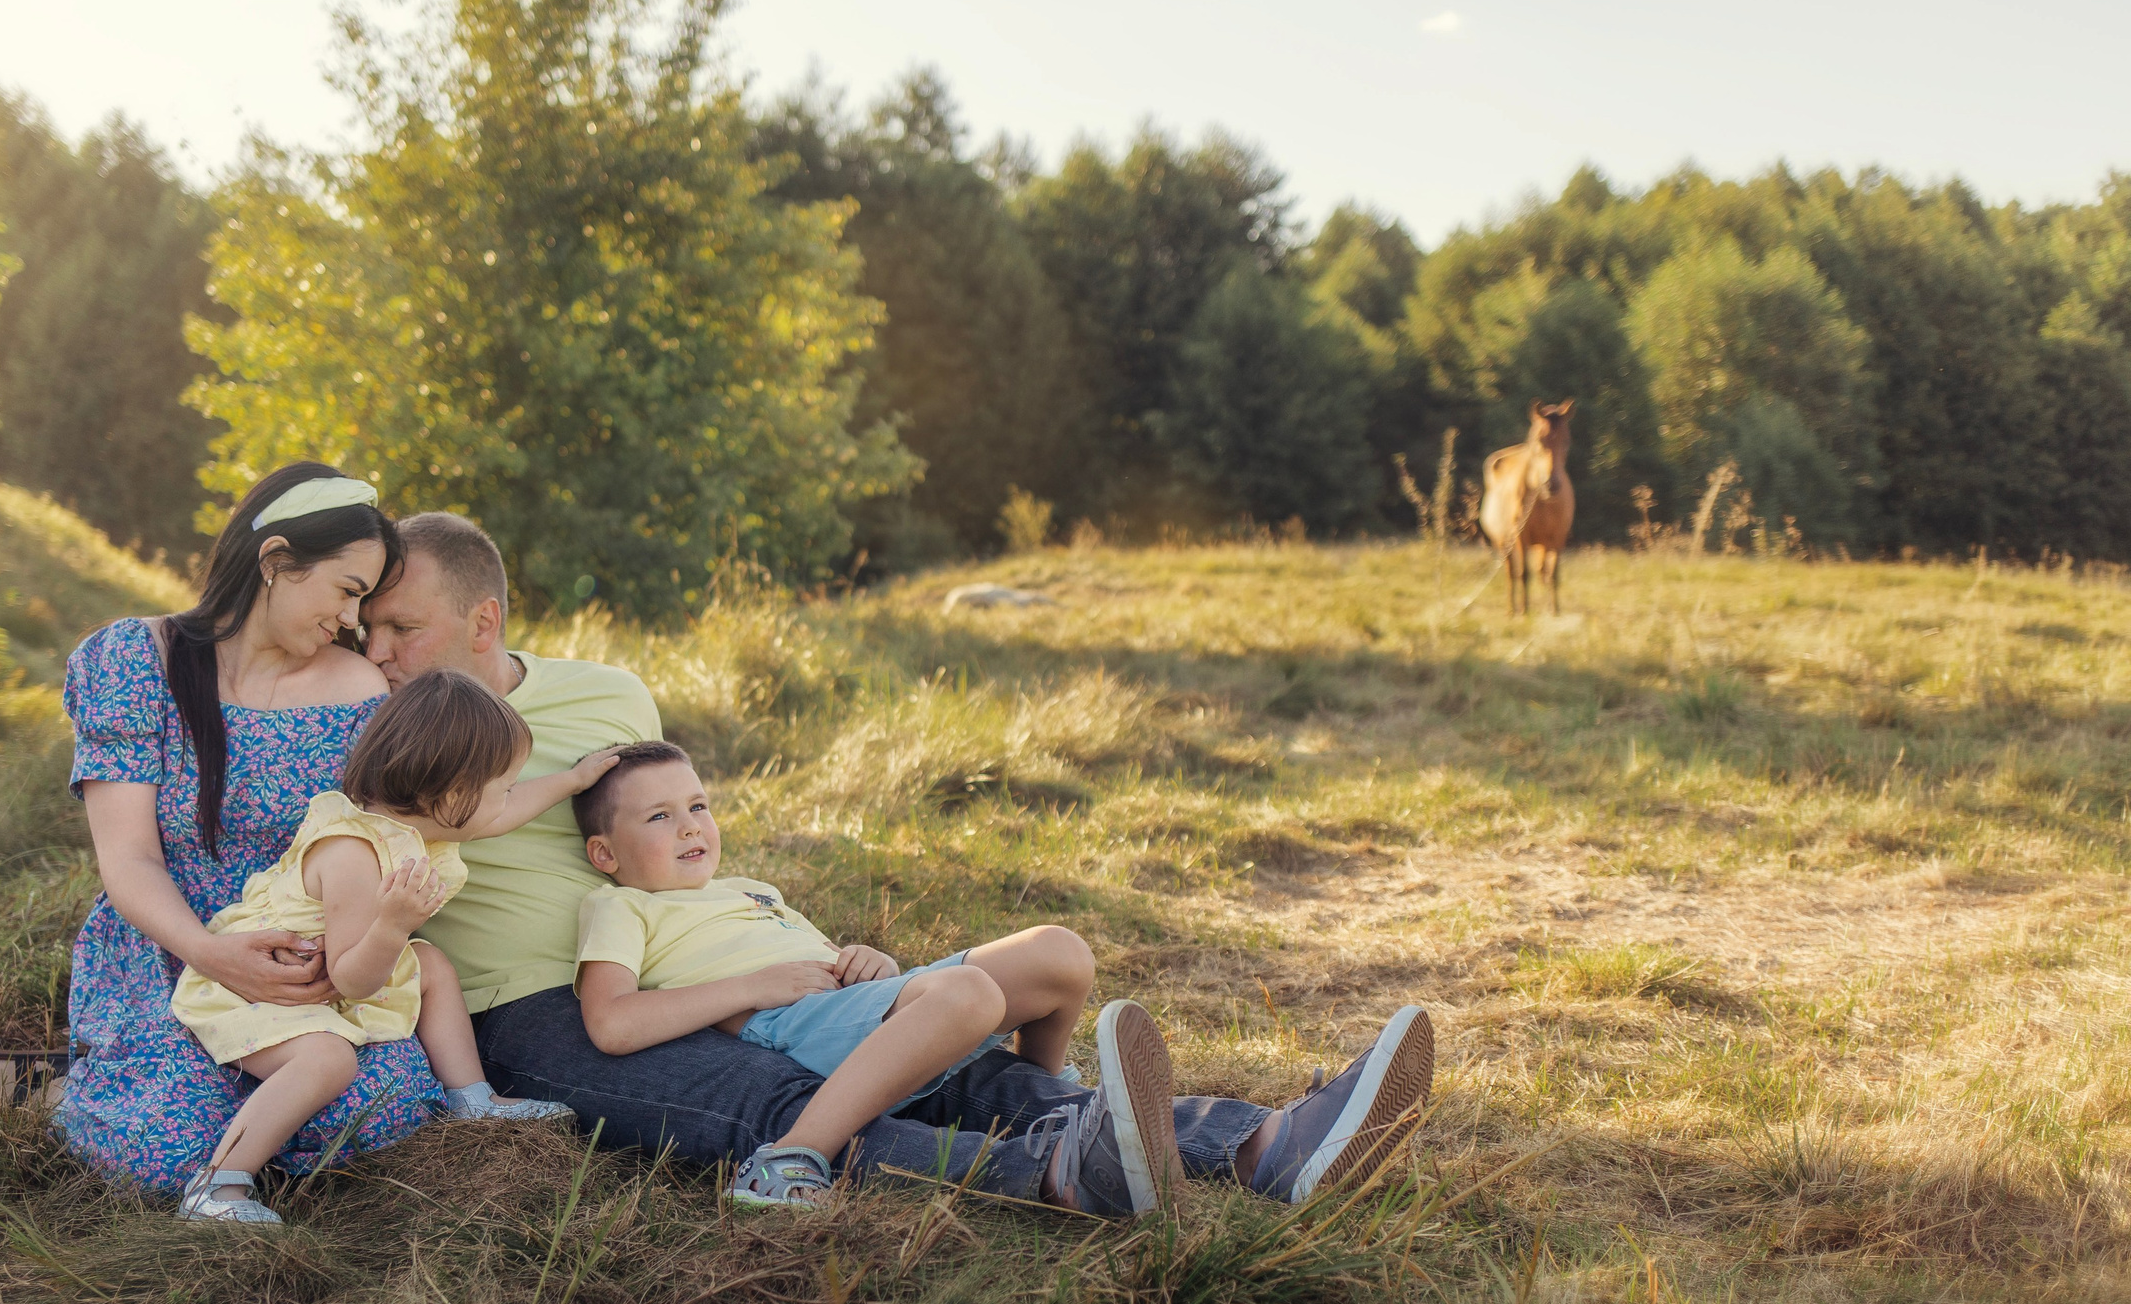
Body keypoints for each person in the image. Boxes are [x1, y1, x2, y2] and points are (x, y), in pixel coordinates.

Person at [362, 511, 1436, 1213]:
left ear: (481, 619)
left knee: (938, 1049)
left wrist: (770, 947)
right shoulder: (373, 722)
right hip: (537, 1005)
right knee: (772, 1094)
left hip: (700, 964)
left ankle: (1260, 1147)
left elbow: (663, 838)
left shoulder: (608, 694)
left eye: (399, 628)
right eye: (368, 631)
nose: (377, 652)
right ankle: (1052, 1174)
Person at [29, 464, 450, 1197]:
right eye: (348, 592)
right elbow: (128, 859)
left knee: (379, 1115)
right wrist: (212, 952)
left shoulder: (356, 689)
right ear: (276, 561)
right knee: (164, 1153)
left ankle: (138, 1099)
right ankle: (45, 1085)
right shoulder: (136, 660)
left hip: (300, 958)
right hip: (173, 944)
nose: (352, 623)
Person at [572, 742, 1176, 1210]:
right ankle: (788, 1160)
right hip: (787, 1024)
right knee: (970, 993)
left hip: (852, 1002)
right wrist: (753, 988)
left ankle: (1040, 1097)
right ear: (605, 854)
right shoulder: (621, 907)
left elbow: (828, 961)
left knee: (1059, 952)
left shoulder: (754, 890)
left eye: (698, 806)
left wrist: (871, 962)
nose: (689, 826)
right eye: (659, 816)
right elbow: (611, 1024)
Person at [165, 669, 622, 1221]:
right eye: (501, 786)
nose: (508, 799)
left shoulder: (418, 825)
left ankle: (472, 1098)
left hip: (334, 970)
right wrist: (393, 925)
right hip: (267, 989)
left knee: (431, 963)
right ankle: (218, 1186)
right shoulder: (355, 856)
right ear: (453, 794)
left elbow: (503, 813)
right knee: (327, 1060)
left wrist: (574, 780)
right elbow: (355, 979)